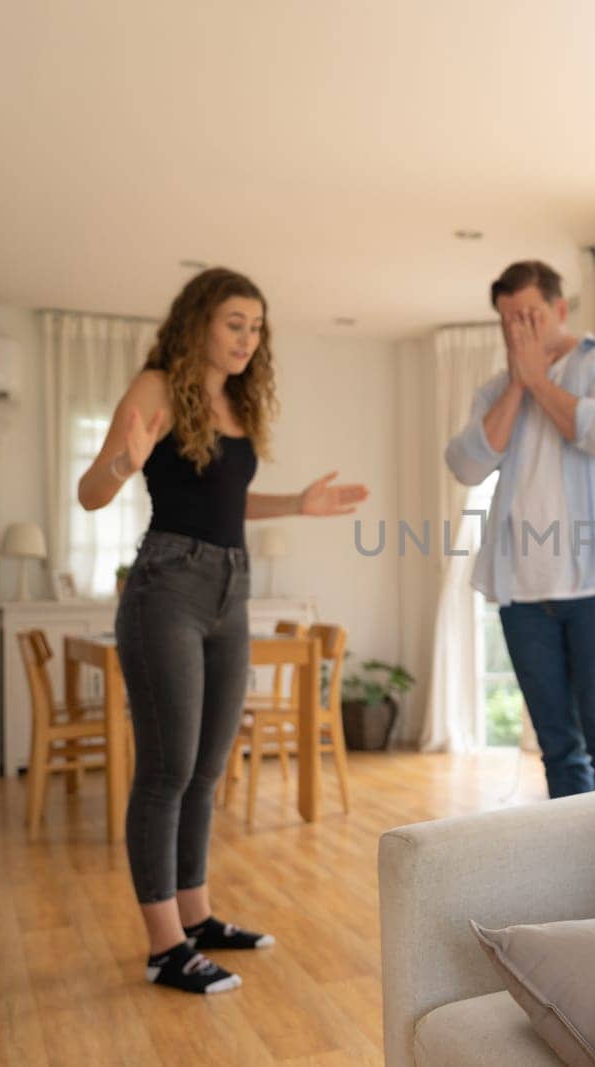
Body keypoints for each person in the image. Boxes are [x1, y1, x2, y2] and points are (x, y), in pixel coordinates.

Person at [77, 267, 369, 994]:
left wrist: (299, 504)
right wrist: (122, 462)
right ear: (200, 320)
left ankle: (196, 915)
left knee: (208, 767)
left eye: (257, 326)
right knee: (167, 768)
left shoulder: (236, 401)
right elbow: (91, 490)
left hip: (231, 587)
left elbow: (226, 502)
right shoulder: (156, 387)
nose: (248, 337)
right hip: (167, 586)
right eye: (235, 322)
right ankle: (162, 944)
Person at [444, 260, 595, 798]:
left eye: (530, 315)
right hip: (523, 596)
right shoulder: (495, 391)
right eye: (508, 320)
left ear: (559, 309)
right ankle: (579, 880)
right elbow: (466, 466)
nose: (518, 330)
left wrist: (538, 380)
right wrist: (519, 383)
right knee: (558, 750)